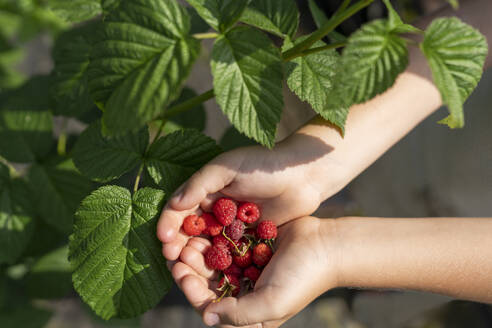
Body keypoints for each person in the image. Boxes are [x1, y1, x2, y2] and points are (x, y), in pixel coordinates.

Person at [157, 1, 492, 326]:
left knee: (376, 271)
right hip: (425, 130)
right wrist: (310, 170)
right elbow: (471, 35)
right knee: (376, 184)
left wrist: (337, 252)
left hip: (461, 252)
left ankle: (360, 274)